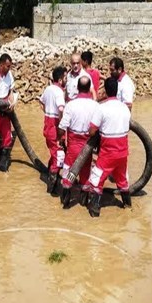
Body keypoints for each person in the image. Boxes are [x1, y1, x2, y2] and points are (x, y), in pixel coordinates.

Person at [86, 77, 132, 217]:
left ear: (105, 91)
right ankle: (128, 207)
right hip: (123, 151)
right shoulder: (125, 108)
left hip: (108, 153)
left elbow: (92, 131)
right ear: (117, 91)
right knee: (122, 180)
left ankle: (94, 211)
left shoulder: (102, 108)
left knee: (96, 180)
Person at [58, 76, 98, 208]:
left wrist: (60, 140)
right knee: (86, 171)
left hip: (74, 144)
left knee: (68, 169)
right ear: (89, 88)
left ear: (77, 88)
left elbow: (62, 127)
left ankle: (66, 198)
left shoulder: (70, 105)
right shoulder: (96, 106)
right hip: (88, 145)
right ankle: (84, 200)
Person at [39, 66, 67, 192]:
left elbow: (41, 102)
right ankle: (51, 188)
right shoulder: (59, 92)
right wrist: (61, 125)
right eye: (65, 78)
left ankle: (48, 174)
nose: (67, 80)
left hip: (47, 126)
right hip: (55, 128)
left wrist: (47, 112)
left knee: (54, 152)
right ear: (60, 80)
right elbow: (61, 109)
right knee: (58, 158)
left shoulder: (48, 89)